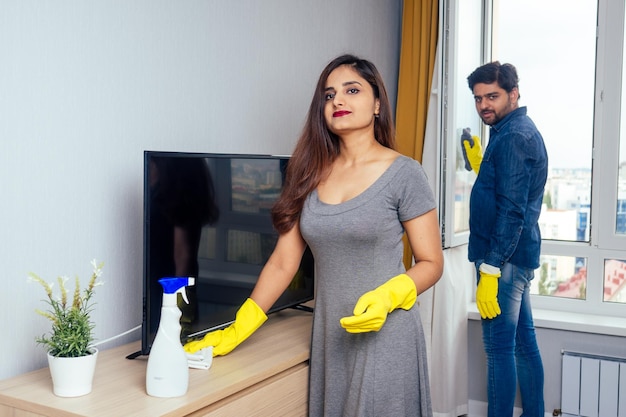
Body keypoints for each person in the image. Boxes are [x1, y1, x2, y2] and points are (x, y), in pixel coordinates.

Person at [184, 54, 444, 417]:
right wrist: (239, 327)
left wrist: (390, 295)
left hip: (388, 335)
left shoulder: (405, 173)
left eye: (352, 90)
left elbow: (432, 263)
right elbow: (282, 262)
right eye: (329, 94)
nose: (337, 100)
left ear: (378, 104)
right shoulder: (307, 173)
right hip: (330, 338)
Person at [462, 61, 547, 417]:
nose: (484, 105)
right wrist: (483, 164)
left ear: (513, 94)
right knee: (523, 345)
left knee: (498, 349)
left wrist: (492, 267)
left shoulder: (513, 136)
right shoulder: (511, 130)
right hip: (517, 255)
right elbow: (510, 191)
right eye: (479, 98)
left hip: (504, 260)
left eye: (492, 96)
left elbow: (511, 210)